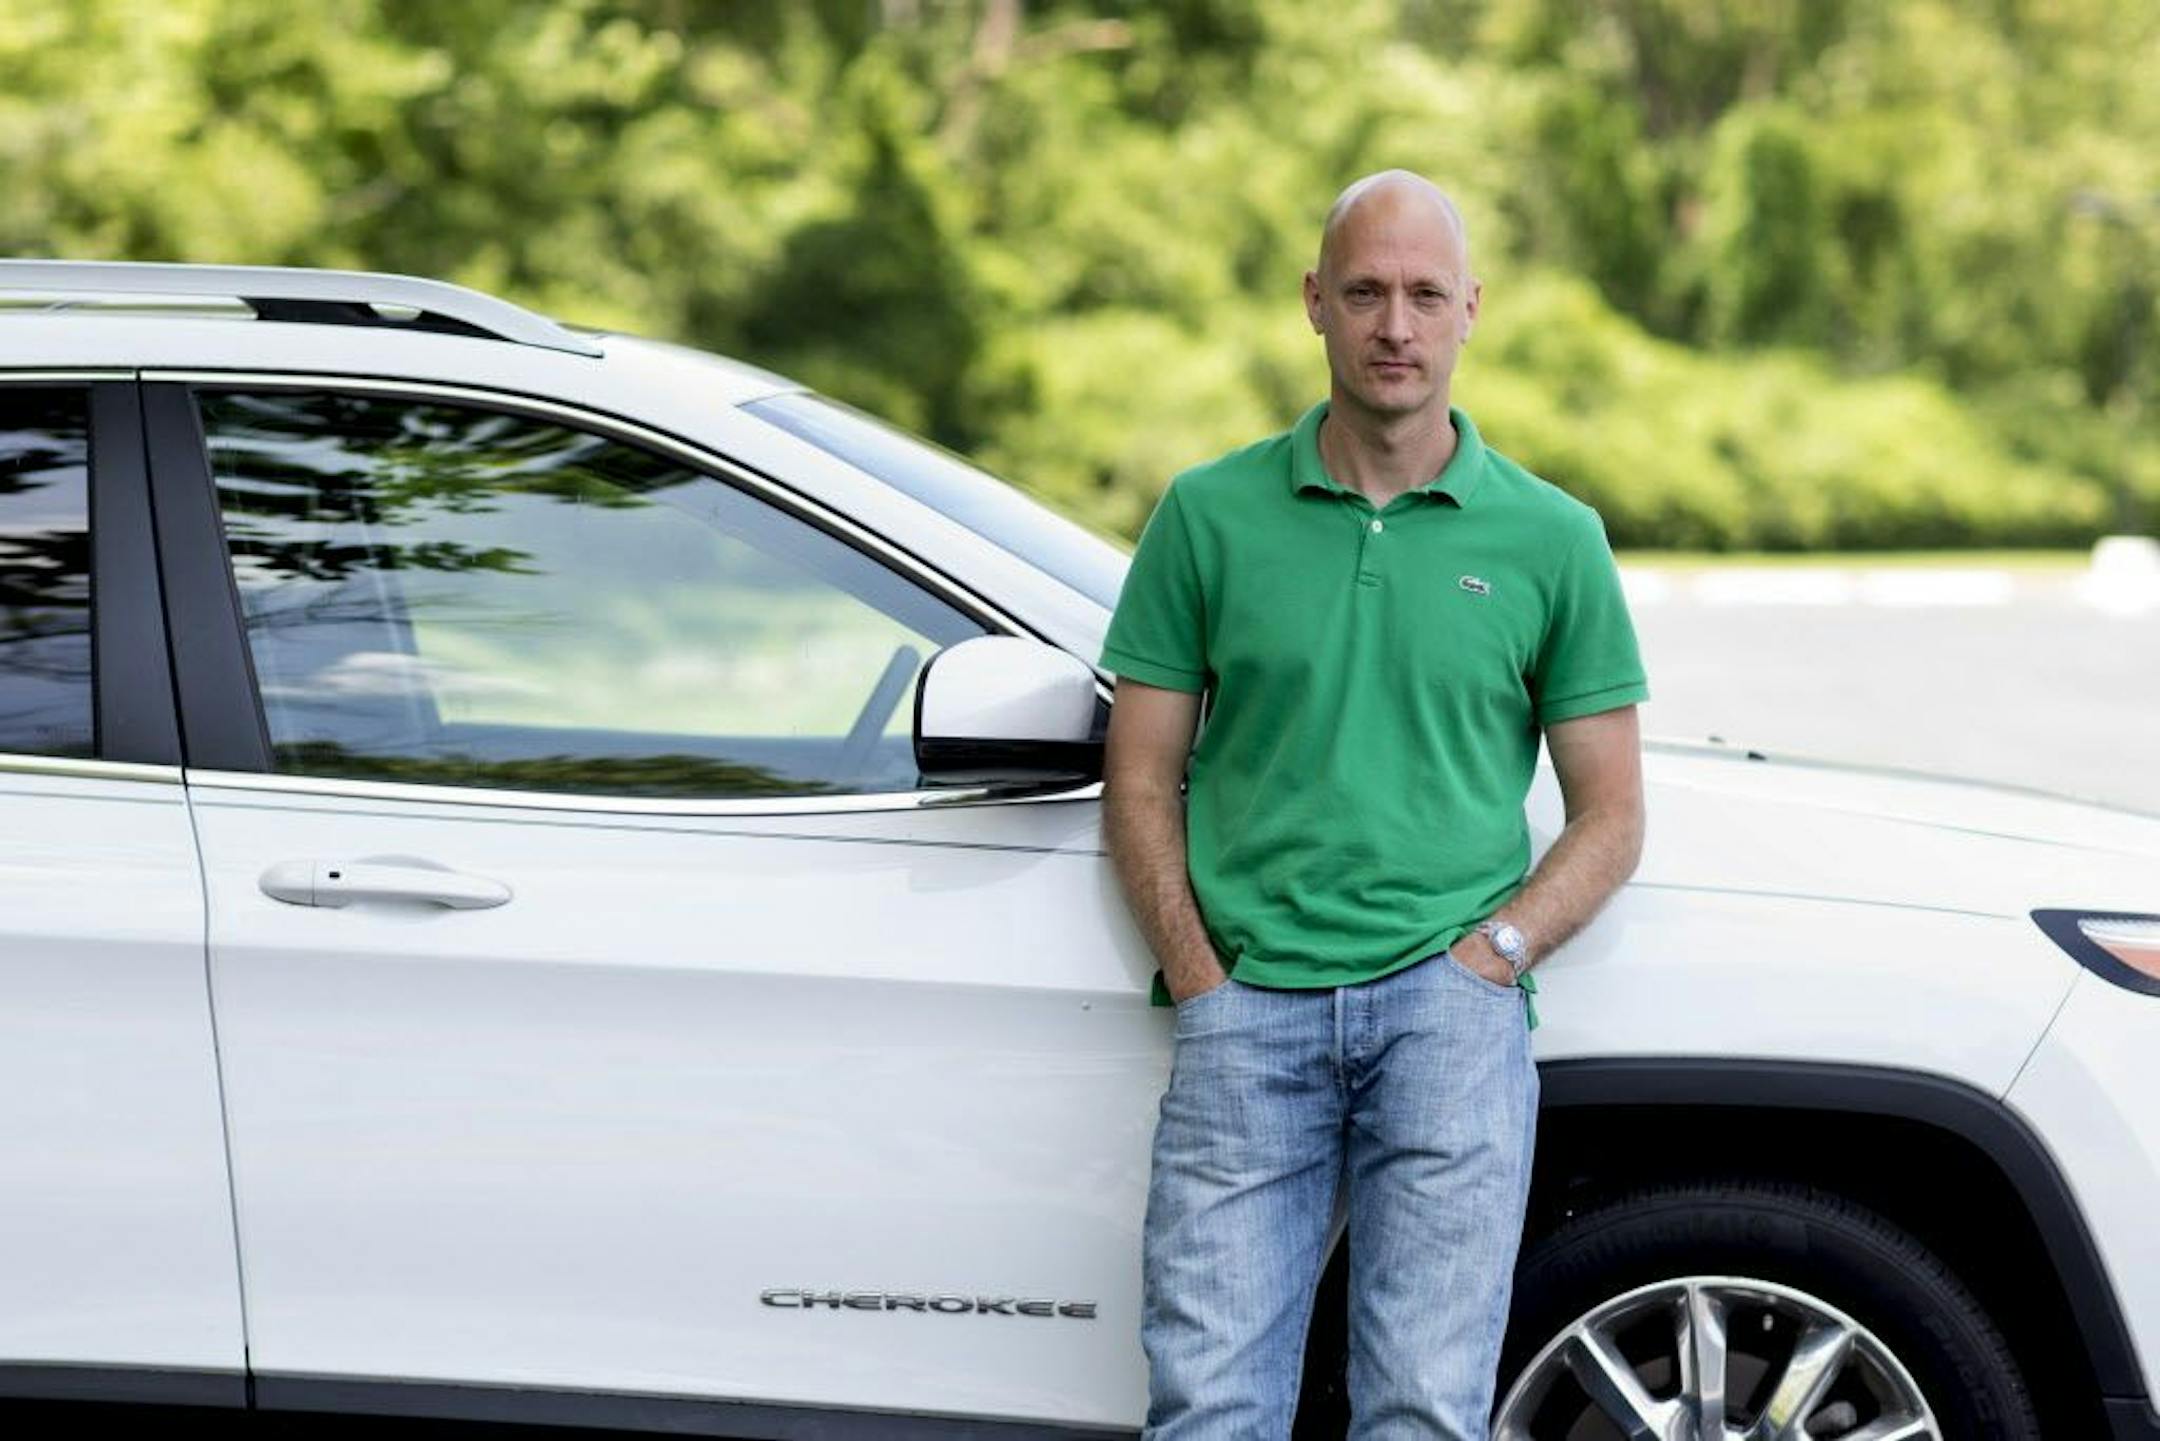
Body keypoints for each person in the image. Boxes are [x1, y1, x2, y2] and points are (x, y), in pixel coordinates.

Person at [1097, 169, 1649, 1438]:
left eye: (1423, 296)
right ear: (1314, 303)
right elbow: (1139, 777)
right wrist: (1200, 977)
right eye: (1364, 294)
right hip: (1247, 1010)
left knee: (1422, 1413)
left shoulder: (1553, 538)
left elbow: (1612, 813)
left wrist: (1491, 958)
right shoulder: (1206, 516)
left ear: (1471, 310)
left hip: (1448, 1019)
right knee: (1207, 1407)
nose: (1395, 326)